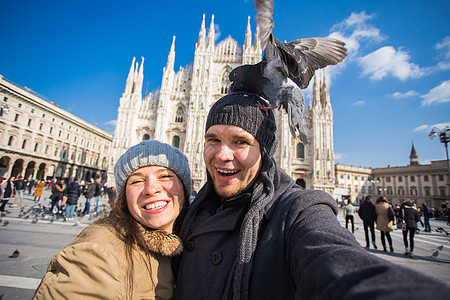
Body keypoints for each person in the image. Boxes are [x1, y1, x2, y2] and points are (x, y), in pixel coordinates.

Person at [172, 92, 450, 299]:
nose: (222, 154)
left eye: (240, 141)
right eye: (213, 140)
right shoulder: (186, 211)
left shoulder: (297, 209)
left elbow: (331, 256)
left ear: (266, 152)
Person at [33, 140, 191, 299]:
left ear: (185, 188)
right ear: (123, 196)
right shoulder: (96, 255)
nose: (151, 189)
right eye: (136, 181)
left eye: (165, 176)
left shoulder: (192, 243)